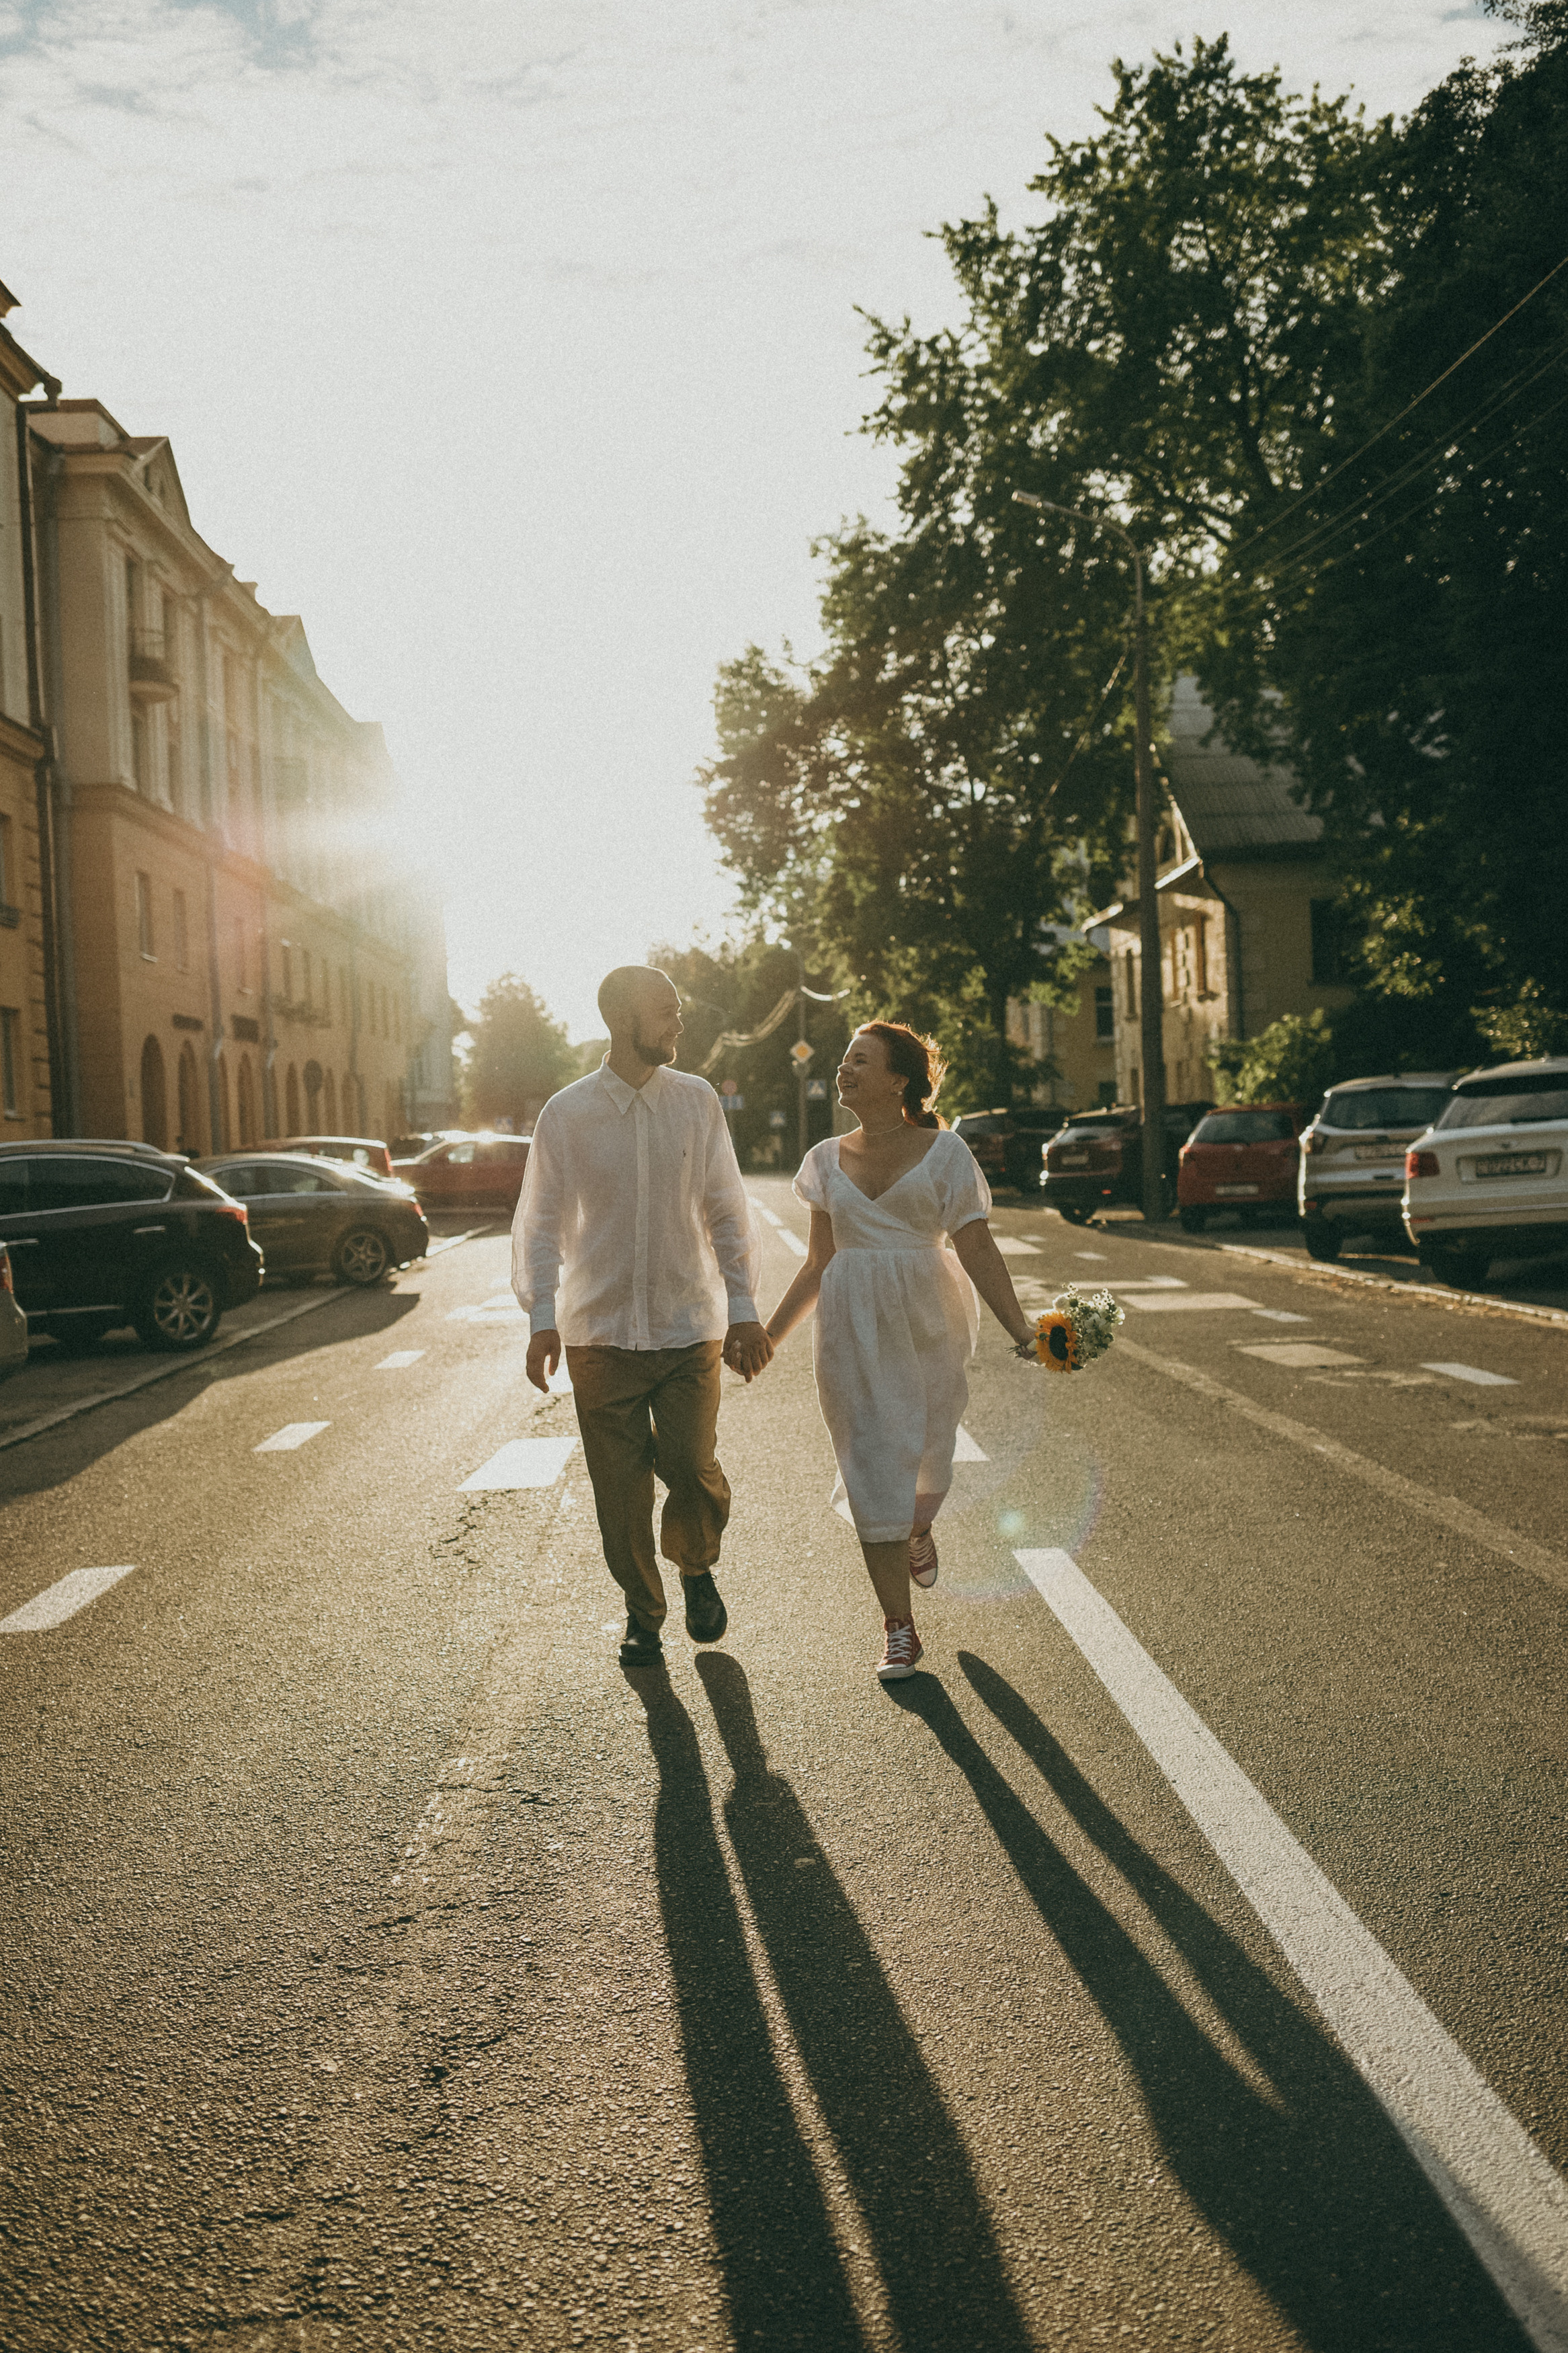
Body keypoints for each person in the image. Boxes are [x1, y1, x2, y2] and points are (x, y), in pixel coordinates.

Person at [512, 966, 773, 1668]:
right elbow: (539, 1226)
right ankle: (642, 1612)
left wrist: (744, 1310)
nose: (679, 1025)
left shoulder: (695, 1103)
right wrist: (542, 1318)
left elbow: (726, 1209)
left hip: (688, 1323)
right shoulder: (566, 1114)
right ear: (621, 1018)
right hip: (597, 1334)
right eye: (666, 1012)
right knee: (620, 1491)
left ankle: (695, 1565)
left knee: (690, 1465)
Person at [763, 1023, 1036, 1681]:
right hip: (848, 1326)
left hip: (931, 1321)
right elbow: (816, 1262)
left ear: (898, 1079)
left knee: (929, 1459)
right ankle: (898, 1628)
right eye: (843, 1057)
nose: (844, 1067)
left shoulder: (945, 1153)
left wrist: (1024, 1331)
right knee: (869, 1469)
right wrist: (766, 1336)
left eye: (860, 1059)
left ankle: (918, 1529)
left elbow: (974, 1246)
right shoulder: (823, 1160)